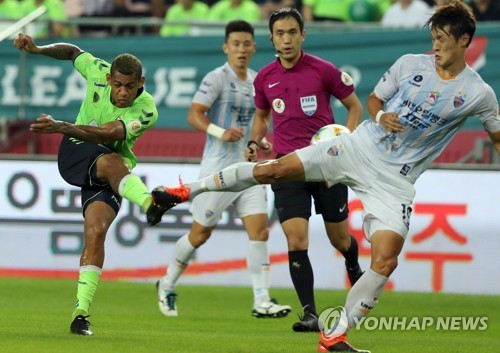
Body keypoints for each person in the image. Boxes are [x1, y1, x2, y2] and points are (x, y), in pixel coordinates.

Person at [149, 1, 499, 351]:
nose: (435, 46)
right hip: (357, 147)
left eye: (442, 39)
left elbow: (496, 136)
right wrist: (379, 119)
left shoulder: (478, 94)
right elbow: (374, 100)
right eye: (434, 38)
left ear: (465, 40)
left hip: (395, 181)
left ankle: (335, 336)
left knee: (385, 259)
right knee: (276, 170)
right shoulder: (409, 64)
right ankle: (181, 193)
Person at [13, 33, 167, 336]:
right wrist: (37, 49)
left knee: (96, 233)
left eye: (130, 87)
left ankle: (80, 314)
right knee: (113, 163)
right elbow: (73, 51)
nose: (123, 93)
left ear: (141, 83)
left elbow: (108, 134)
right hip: (75, 150)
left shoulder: (146, 109)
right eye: (118, 85)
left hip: (107, 166)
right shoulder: (97, 70)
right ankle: (151, 204)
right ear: (109, 78)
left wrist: (59, 125)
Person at [155, 19, 292, 319]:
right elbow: (194, 115)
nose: (241, 49)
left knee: (259, 232)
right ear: (226, 47)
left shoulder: (258, 81)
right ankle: (166, 283)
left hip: (248, 169)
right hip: (217, 169)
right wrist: (219, 132)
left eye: (246, 44)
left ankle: (261, 300)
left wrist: (259, 141)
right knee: (199, 234)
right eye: (236, 44)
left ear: (255, 47)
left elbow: (260, 119)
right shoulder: (216, 78)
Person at [242, 7, 364, 333]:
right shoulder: (265, 77)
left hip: (327, 166)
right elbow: (261, 115)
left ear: (302, 35)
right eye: (280, 33)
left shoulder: (323, 70)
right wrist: (256, 141)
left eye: (292, 32)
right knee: (296, 241)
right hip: (287, 168)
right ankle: (310, 313)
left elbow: (355, 106)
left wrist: (345, 141)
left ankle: (352, 263)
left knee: (339, 239)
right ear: (271, 38)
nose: (286, 39)